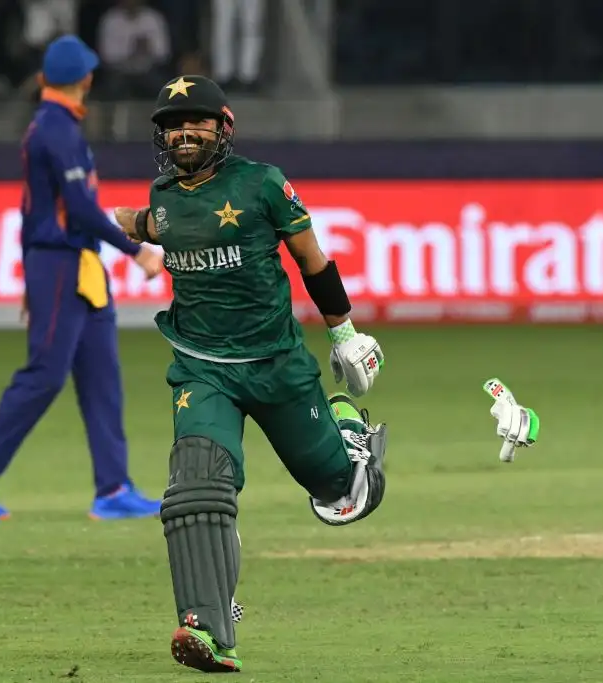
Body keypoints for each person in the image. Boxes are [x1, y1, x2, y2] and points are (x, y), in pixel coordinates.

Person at [113, 75, 389, 673]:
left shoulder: (263, 184)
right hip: (201, 368)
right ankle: (210, 629)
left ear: (224, 129)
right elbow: (146, 223)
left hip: (277, 364)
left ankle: (350, 441)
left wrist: (344, 333)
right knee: (195, 487)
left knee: (341, 492)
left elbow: (312, 260)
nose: (184, 134)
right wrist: (101, 218)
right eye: (172, 126)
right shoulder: (163, 196)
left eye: (198, 122)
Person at [0, 35, 165, 522]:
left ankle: (113, 489)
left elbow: (32, 209)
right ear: (86, 79)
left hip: (77, 265)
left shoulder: (54, 126)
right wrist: (136, 251)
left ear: (45, 78)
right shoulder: (55, 130)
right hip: (61, 265)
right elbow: (81, 209)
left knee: (102, 376)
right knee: (44, 375)